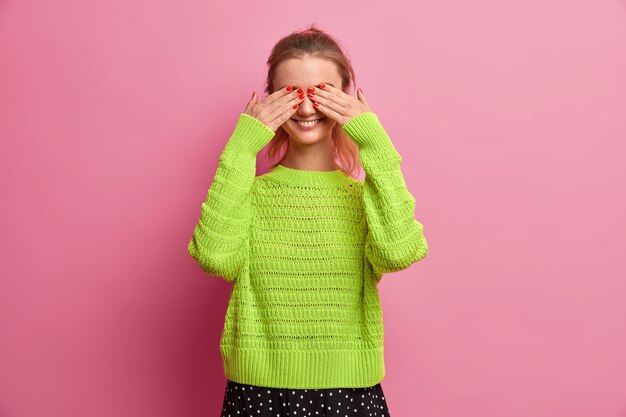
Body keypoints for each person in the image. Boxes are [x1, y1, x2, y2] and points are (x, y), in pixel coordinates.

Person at [187, 25, 429, 417]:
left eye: (320, 92)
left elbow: (400, 251)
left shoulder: (363, 199)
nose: (304, 108)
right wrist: (241, 146)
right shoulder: (249, 194)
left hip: (350, 395)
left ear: (346, 99)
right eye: (290, 94)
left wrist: (374, 140)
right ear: (270, 102)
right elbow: (214, 256)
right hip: (258, 394)